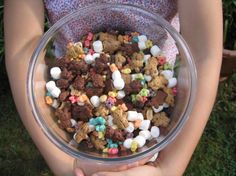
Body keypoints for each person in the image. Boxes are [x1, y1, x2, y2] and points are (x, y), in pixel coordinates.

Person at [4, 0, 222, 175]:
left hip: (155, 95)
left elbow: (203, 52)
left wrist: (168, 167)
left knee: (137, 149)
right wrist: (66, 164)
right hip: (71, 88)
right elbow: (23, 49)